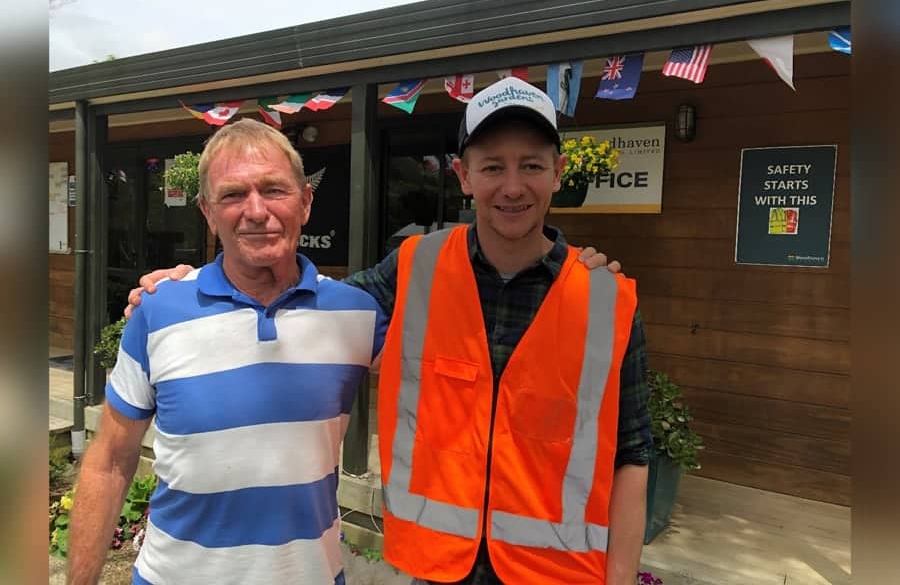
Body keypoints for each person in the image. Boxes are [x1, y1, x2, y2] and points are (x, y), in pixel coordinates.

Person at [126, 78, 647, 584]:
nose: (512, 186)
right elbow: (301, 304)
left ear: (557, 172)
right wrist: (191, 286)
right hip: (437, 568)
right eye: (493, 166)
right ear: (464, 175)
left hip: (556, 576)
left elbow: (632, 455)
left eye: (531, 165)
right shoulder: (413, 269)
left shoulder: (607, 298)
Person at [67, 119, 390, 585]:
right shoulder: (158, 310)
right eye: (233, 194)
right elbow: (111, 460)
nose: (256, 211)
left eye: (274, 189)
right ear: (206, 211)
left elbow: (450, 379)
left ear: (306, 201)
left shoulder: (357, 315)